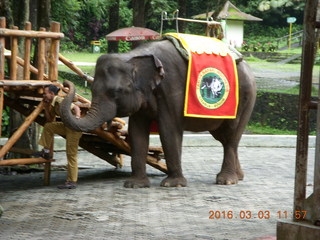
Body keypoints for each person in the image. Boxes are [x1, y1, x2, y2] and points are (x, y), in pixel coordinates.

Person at [34, 84, 82, 189]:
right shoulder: (52, 103)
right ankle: (46, 152)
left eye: (45, 93)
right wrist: (46, 108)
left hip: (74, 128)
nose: (43, 96)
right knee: (49, 126)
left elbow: (76, 108)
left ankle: (72, 181)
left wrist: (77, 117)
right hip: (66, 126)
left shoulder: (60, 100)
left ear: (51, 94)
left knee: (71, 154)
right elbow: (50, 120)